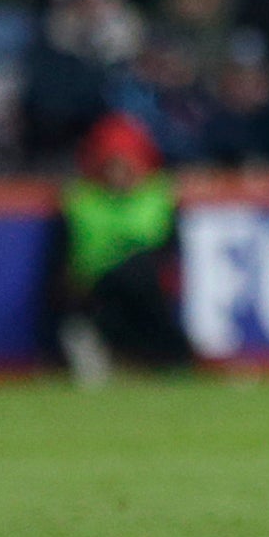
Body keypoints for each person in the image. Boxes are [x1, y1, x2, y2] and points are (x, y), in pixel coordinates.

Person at [46, 112, 193, 380]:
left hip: (147, 292)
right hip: (97, 289)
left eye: (126, 166)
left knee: (140, 280)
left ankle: (165, 358)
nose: (118, 175)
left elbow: (171, 254)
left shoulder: (158, 197)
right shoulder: (81, 202)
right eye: (112, 166)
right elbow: (60, 263)